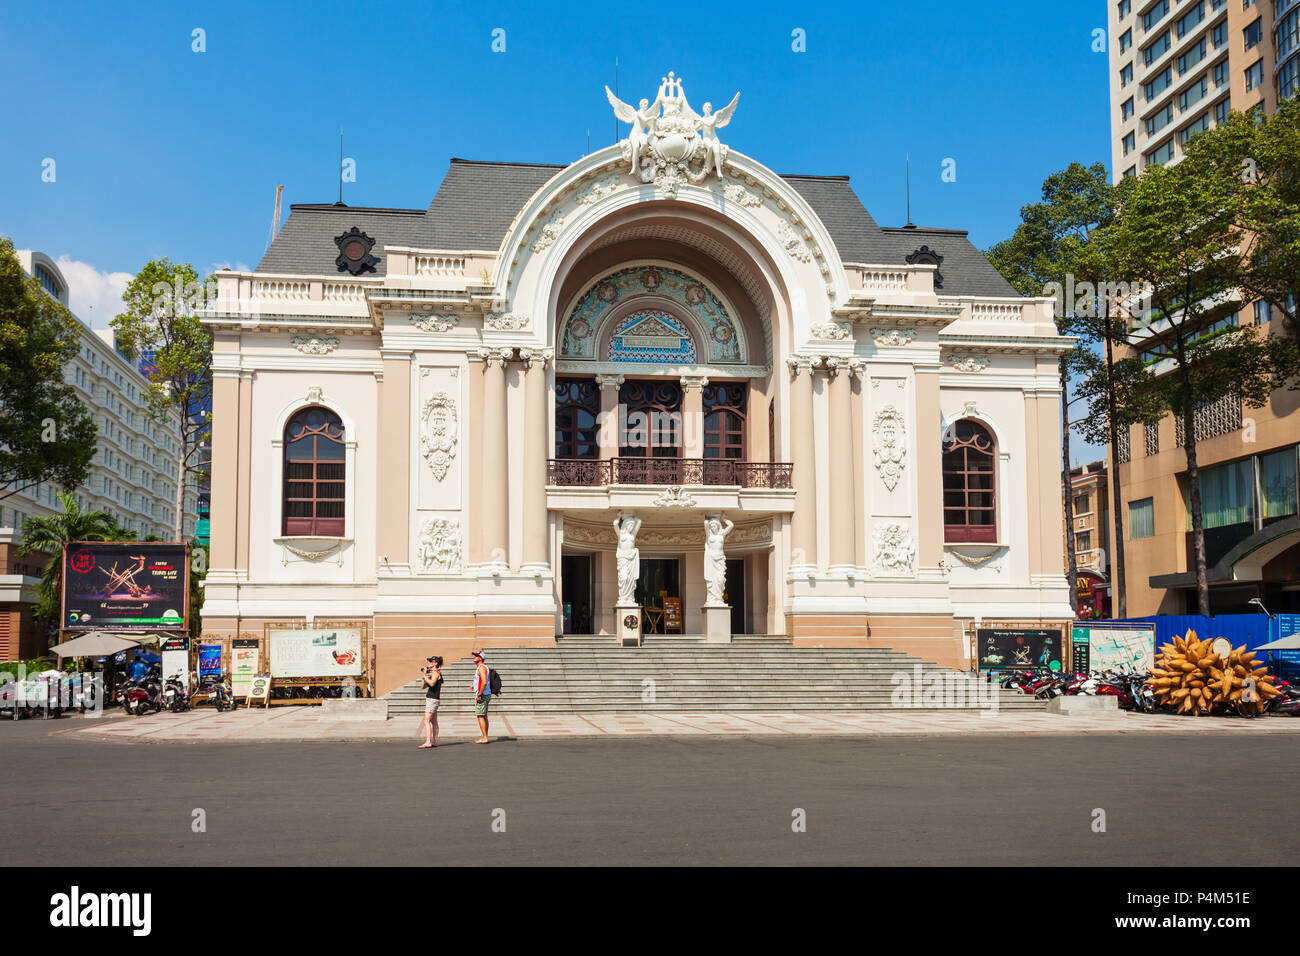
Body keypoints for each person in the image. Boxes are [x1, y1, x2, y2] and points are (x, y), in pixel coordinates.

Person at [418, 656, 443, 749]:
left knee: (426, 720)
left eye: (430, 661)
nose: (428, 663)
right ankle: (435, 741)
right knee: (433, 721)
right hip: (432, 699)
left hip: (432, 700)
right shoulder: (432, 673)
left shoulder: (436, 673)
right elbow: (422, 687)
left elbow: (432, 683)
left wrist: (425, 675)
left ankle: (428, 742)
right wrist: (424, 676)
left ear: (435, 663)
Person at [471, 650, 491, 744]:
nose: (474, 657)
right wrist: (473, 686)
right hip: (485, 693)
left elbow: (484, 682)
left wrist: (479, 694)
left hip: (482, 695)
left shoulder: (481, 668)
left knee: (480, 716)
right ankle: (485, 736)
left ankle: (485, 737)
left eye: (476, 656)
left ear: (480, 658)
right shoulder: (481, 667)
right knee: (484, 716)